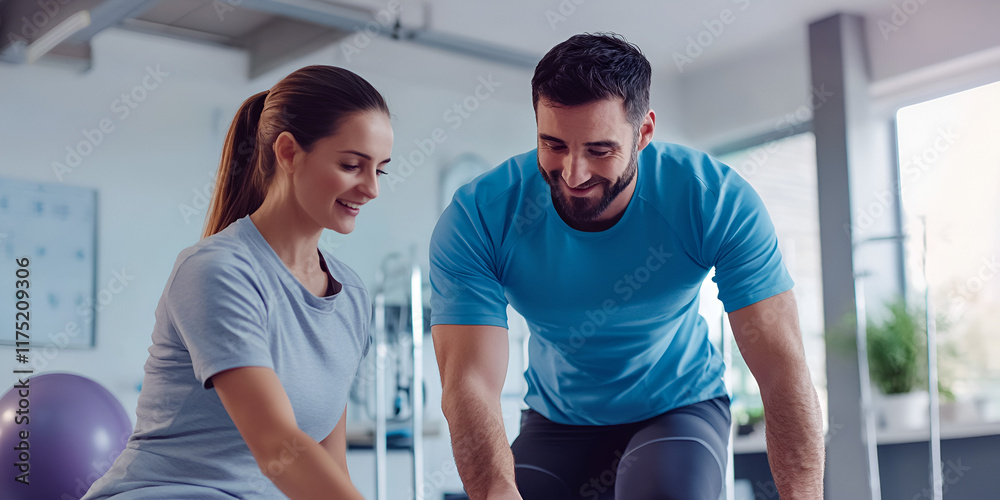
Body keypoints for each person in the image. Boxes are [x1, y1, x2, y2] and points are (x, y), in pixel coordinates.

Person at [429, 33, 824, 500]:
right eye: (553, 144)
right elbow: (469, 382)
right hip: (558, 421)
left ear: (644, 133)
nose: (573, 174)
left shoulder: (712, 199)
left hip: (679, 408)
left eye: (599, 150)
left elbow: (782, 368)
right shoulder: (480, 215)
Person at [82, 65, 393, 499]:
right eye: (351, 165)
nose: (371, 189)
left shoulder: (352, 296)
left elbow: (330, 466)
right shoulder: (218, 270)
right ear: (287, 152)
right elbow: (276, 446)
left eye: (381, 170)